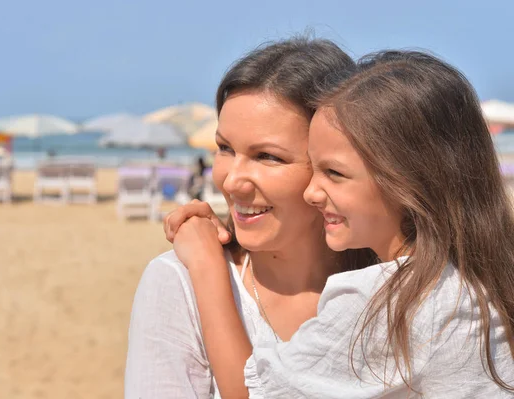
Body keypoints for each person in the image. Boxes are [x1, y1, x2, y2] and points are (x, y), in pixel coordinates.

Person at [166, 50, 514, 397]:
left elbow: (249, 393)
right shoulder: (472, 276)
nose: (312, 192)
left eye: (334, 173)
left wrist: (206, 264)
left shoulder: (392, 300)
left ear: (406, 181)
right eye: (224, 147)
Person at [124, 37, 375, 398]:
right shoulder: (177, 282)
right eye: (224, 148)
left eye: (267, 157)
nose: (231, 181)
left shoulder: (392, 284)